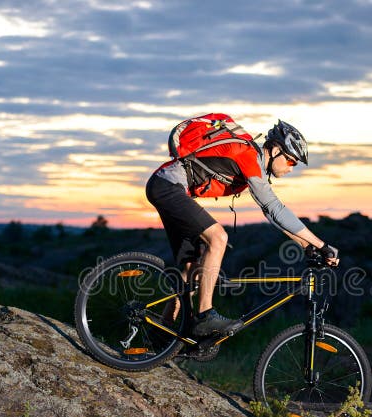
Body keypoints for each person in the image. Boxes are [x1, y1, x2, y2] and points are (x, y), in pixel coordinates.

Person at [145, 118, 339, 337]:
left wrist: (307, 246)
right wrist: (321, 244)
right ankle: (204, 316)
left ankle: (163, 333)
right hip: (167, 187)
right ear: (275, 150)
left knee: (191, 269)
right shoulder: (248, 156)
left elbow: (271, 215)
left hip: (165, 187)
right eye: (291, 161)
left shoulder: (252, 162)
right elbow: (274, 207)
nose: (290, 168)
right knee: (218, 238)